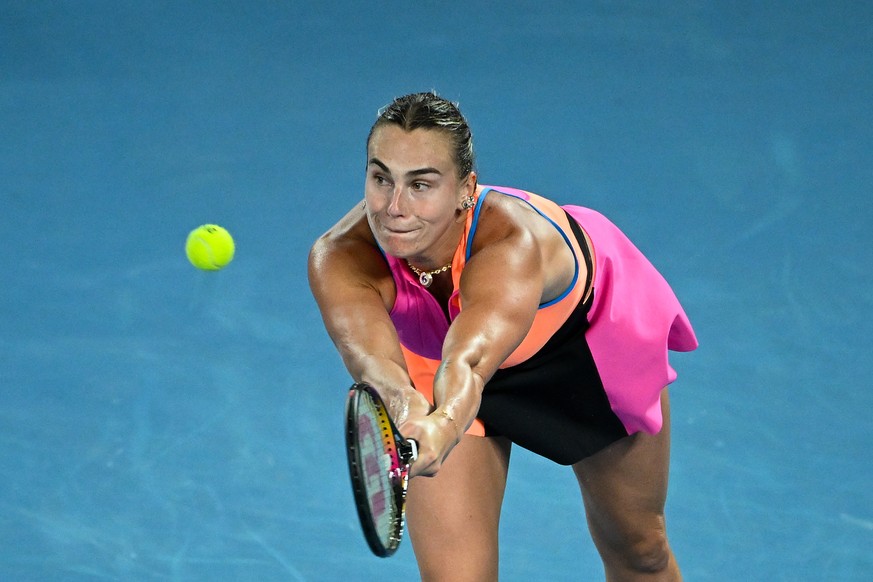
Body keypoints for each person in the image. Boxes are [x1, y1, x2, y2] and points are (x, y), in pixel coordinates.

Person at [308, 91, 698, 581]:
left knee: (639, 548)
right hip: (441, 361)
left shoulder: (511, 243)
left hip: (586, 349)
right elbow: (377, 367)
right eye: (381, 178)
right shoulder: (340, 257)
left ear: (466, 189)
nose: (394, 208)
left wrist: (444, 424)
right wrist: (410, 414)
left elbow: (470, 362)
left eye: (421, 184)